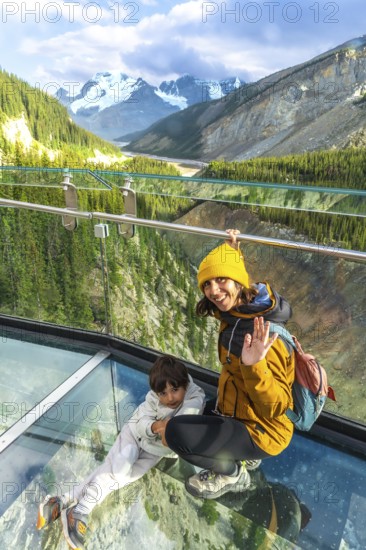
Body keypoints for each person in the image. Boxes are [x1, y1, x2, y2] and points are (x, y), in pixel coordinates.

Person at [165, 229, 296, 499]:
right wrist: (231, 252)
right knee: (187, 410)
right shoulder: (241, 309)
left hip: (263, 431)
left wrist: (254, 365)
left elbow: (277, 406)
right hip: (238, 410)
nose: (213, 291)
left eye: (221, 280)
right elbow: (231, 284)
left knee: (174, 433)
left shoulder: (265, 335)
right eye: (207, 284)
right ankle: (244, 457)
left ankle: (233, 474)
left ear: (237, 282)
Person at [36, 355, 205, 549]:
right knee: (118, 470)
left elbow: (182, 424)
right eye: (163, 393)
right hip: (134, 434)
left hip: (154, 452)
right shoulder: (153, 397)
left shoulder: (194, 396)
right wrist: (158, 426)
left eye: (174, 390)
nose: (169, 398)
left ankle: (63, 500)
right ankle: (80, 511)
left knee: (114, 476)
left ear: (184, 383)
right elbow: (142, 424)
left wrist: (169, 429)